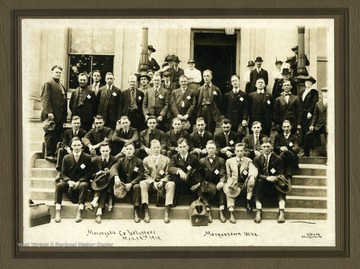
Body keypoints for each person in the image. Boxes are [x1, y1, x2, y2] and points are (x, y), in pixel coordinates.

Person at [54, 137, 92, 223]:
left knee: (84, 185)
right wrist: (68, 181)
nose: (77, 147)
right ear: (71, 146)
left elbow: (88, 173)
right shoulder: (66, 158)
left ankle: (80, 210)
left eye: (79, 145)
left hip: (81, 182)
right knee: (59, 185)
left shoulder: (87, 157)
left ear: (82, 146)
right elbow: (62, 174)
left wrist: (79, 181)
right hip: (70, 182)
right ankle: (58, 210)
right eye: (75, 145)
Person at [253, 137, 288, 223]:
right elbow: (256, 173)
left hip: (274, 184)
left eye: (268, 146)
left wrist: (275, 178)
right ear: (260, 147)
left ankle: (282, 211)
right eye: (264, 146)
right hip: (263, 184)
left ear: (272, 147)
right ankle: (258, 210)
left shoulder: (278, 158)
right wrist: (266, 178)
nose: (266, 149)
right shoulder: (257, 159)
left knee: (281, 182)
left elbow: (280, 173)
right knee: (258, 181)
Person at [140, 139, 175, 223]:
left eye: (158, 147)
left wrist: (162, 181)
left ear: (160, 148)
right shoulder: (146, 160)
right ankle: (146, 211)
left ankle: (167, 212)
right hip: (151, 183)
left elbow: (168, 174)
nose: (156, 149)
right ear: (150, 149)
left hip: (162, 182)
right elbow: (145, 174)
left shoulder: (166, 159)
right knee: (142, 183)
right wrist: (152, 182)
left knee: (172, 184)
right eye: (154, 148)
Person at [109, 142, 145, 223]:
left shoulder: (139, 161)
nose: (128, 151)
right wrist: (116, 176)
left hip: (132, 184)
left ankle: (136, 211)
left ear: (134, 150)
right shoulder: (121, 160)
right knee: (111, 178)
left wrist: (131, 184)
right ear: (124, 151)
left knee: (137, 187)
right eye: (127, 149)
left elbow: (140, 175)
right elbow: (113, 168)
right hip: (122, 184)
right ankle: (110, 200)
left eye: (130, 149)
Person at [224, 143, 258, 223]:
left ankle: (248, 201)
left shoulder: (248, 160)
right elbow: (228, 175)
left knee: (251, 179)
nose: (239, 153)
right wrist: (230, 182)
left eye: (241, 151)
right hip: (234, 183)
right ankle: (231, 211)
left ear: (244, 152)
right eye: (237, 151)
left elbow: (253, 169)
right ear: (235, 152)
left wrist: (252, 176)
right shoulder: (229, 161)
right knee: (228, 186)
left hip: (244, 184)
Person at [40, 65, 68, 161]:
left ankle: (54, 154)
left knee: (57, 135)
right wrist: (49, 112)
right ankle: (49, 154)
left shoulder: (61, 85)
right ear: (52, 73)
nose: (58, 74)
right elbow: (45, 99)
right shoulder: (48, 84)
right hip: (52, 115)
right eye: (56, 72)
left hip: (60, 115)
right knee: (50, 135)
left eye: (60, 72)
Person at [87, 143, 117, 223]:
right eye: (103, 151)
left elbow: (117, 172)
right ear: (100, 151)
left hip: (110, 183)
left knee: (106, 183)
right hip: (98, 183)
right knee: (103, 185)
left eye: (107, 151)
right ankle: (99, 211)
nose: (105, 153)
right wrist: (97, 173)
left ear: (110, 150)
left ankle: (94, 202)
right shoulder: (96, 160)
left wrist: (109, 172)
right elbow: (90, 174)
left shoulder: (114, 160)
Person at [168, 138, 202, 206]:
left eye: (184, 146)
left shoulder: (194, 158)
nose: (182, 149)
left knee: (194, 176)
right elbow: (170, 168)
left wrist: (199, 183)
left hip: (190, 182)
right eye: (180, 147)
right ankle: (175, 199)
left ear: (188, 147)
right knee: (175, 178)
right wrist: (179, 171)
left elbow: (200, 171)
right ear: (177, 148)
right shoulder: (175, 157)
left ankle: (194, 202)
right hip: (179, 183)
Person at [199, 140, 226, 223]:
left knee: (222, 188)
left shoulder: (221, 160)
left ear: (216, 150)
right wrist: (203, 182)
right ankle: (208, 211)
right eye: (209, 148)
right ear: (206, 150)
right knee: (203, 188)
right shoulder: (202, 161)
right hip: (206, 183)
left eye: (213, 148)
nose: (211, 150)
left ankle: (221, 211)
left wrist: (221, 181)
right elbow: (200, 175)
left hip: (216, 182)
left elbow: (223, 173)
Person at [302, 87, 328, 157]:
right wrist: (312, 125)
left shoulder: (333, 102)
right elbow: (315, 115)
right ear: (322, 93)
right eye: (324, 92)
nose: (325, 93)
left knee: (330, 140)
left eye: (327, 91)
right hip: (319, 125)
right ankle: (306, 153)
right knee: (308, 134)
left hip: (328, 126)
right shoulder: (318, 103)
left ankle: (331, 157)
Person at [298, 76, 319, 146]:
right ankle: (304, 146)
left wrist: (310, 111)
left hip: (310, 113)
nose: (307, 83)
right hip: (302, 113)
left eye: (309, 82)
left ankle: (310, 147)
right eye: (306, 82)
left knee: (309, 130)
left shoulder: (314, 92)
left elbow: (314, 102)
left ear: (312, 83)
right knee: (303, 129)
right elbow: (300, 102)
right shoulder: (302, 92)